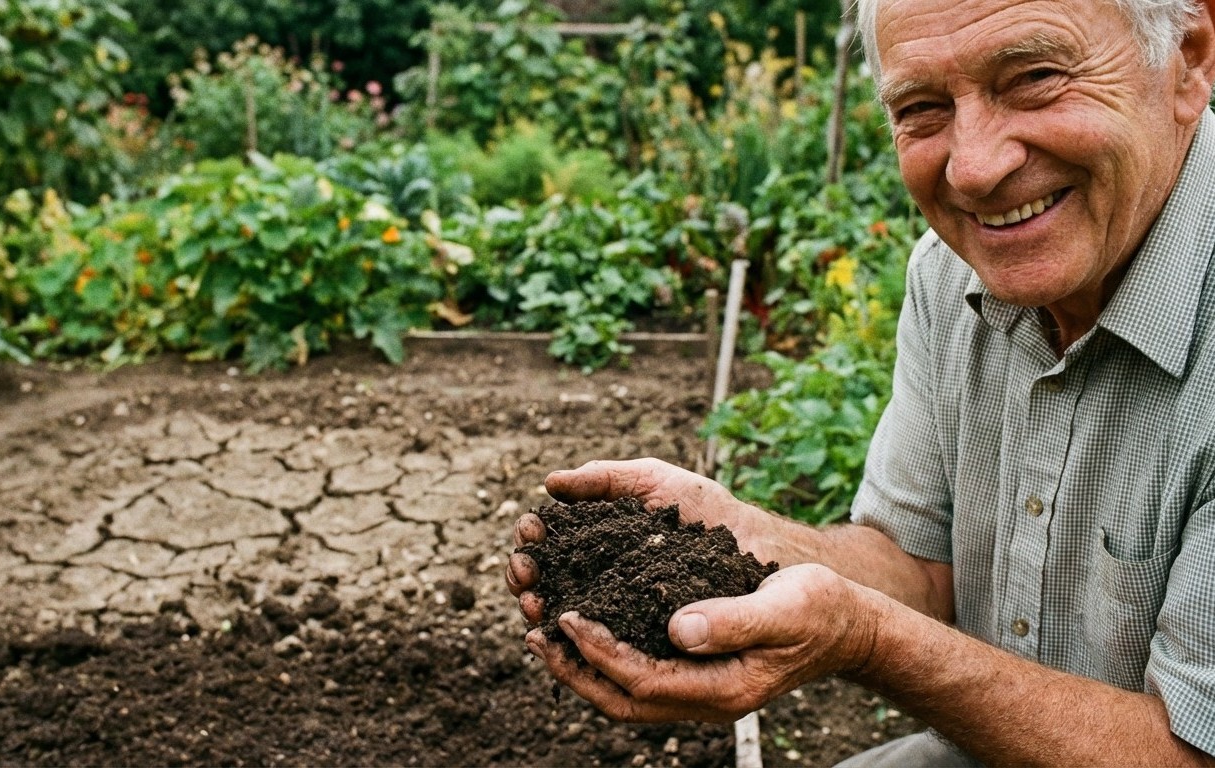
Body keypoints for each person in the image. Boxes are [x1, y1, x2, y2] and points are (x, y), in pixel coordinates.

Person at [505, 0, 1215, 763]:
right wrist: (747, 541)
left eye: (1035, 78)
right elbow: (920, 567)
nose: (973, 168)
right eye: (921, 108)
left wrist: (865, 639)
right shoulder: (951, 275)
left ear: (1189, 61)